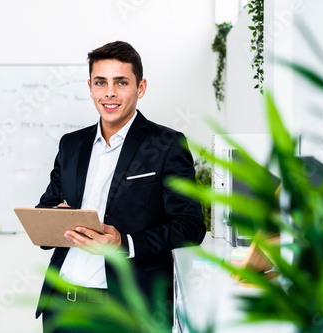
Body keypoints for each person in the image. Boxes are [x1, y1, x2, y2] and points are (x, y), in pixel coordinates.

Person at [35, 41, 206, 332]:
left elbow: (190, 226)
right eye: (101, 82)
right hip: (62, 307)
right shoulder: (71, 144)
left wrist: (124, 243)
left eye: (121, 82)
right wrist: (55, 217)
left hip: (130, 311)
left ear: (141, 88)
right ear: (90, 87)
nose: (109, 93)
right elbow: (47, 209)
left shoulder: (166, 145)